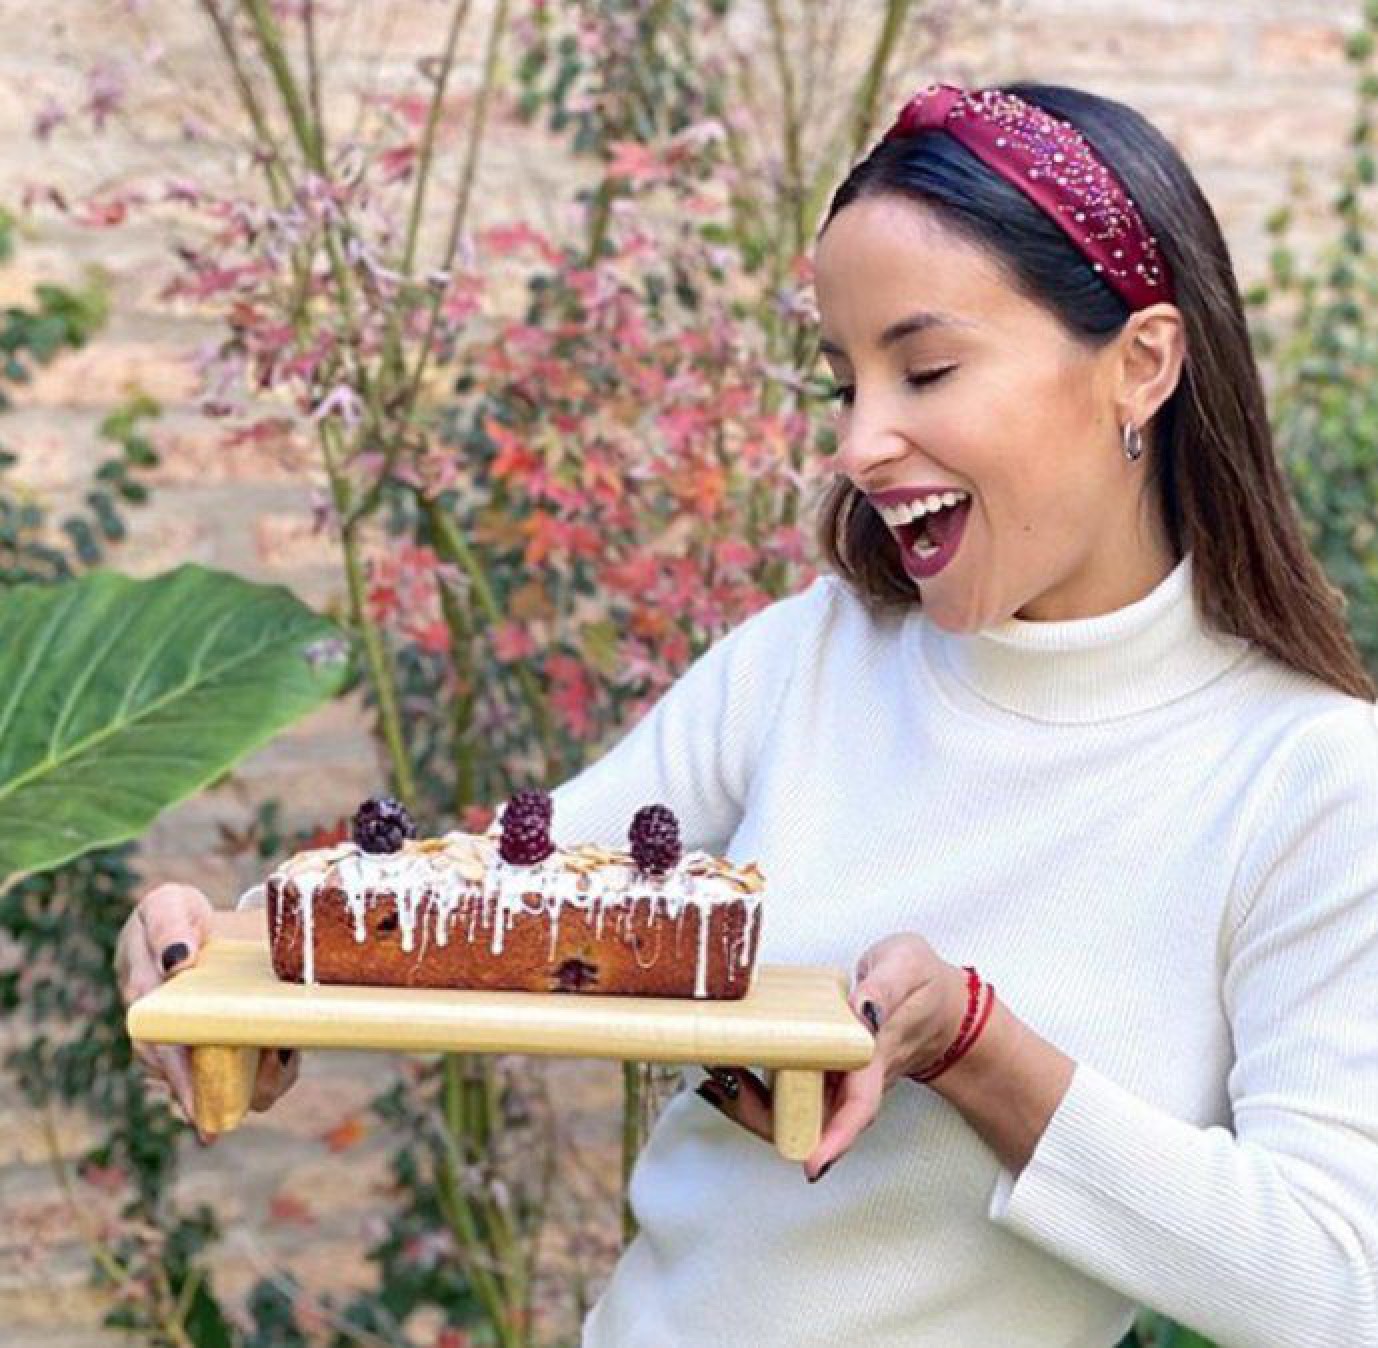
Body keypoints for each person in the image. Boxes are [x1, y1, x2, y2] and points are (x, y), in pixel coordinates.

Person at [117, 81, 1378, 1347]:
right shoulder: (808, 660)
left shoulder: (1303, 776)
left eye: (926, 367)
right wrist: (239, 965)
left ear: (1140, 366)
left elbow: (1331, 1284)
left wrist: (978, 1050)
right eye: (843, 380)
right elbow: (502, 905)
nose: (858, 441)